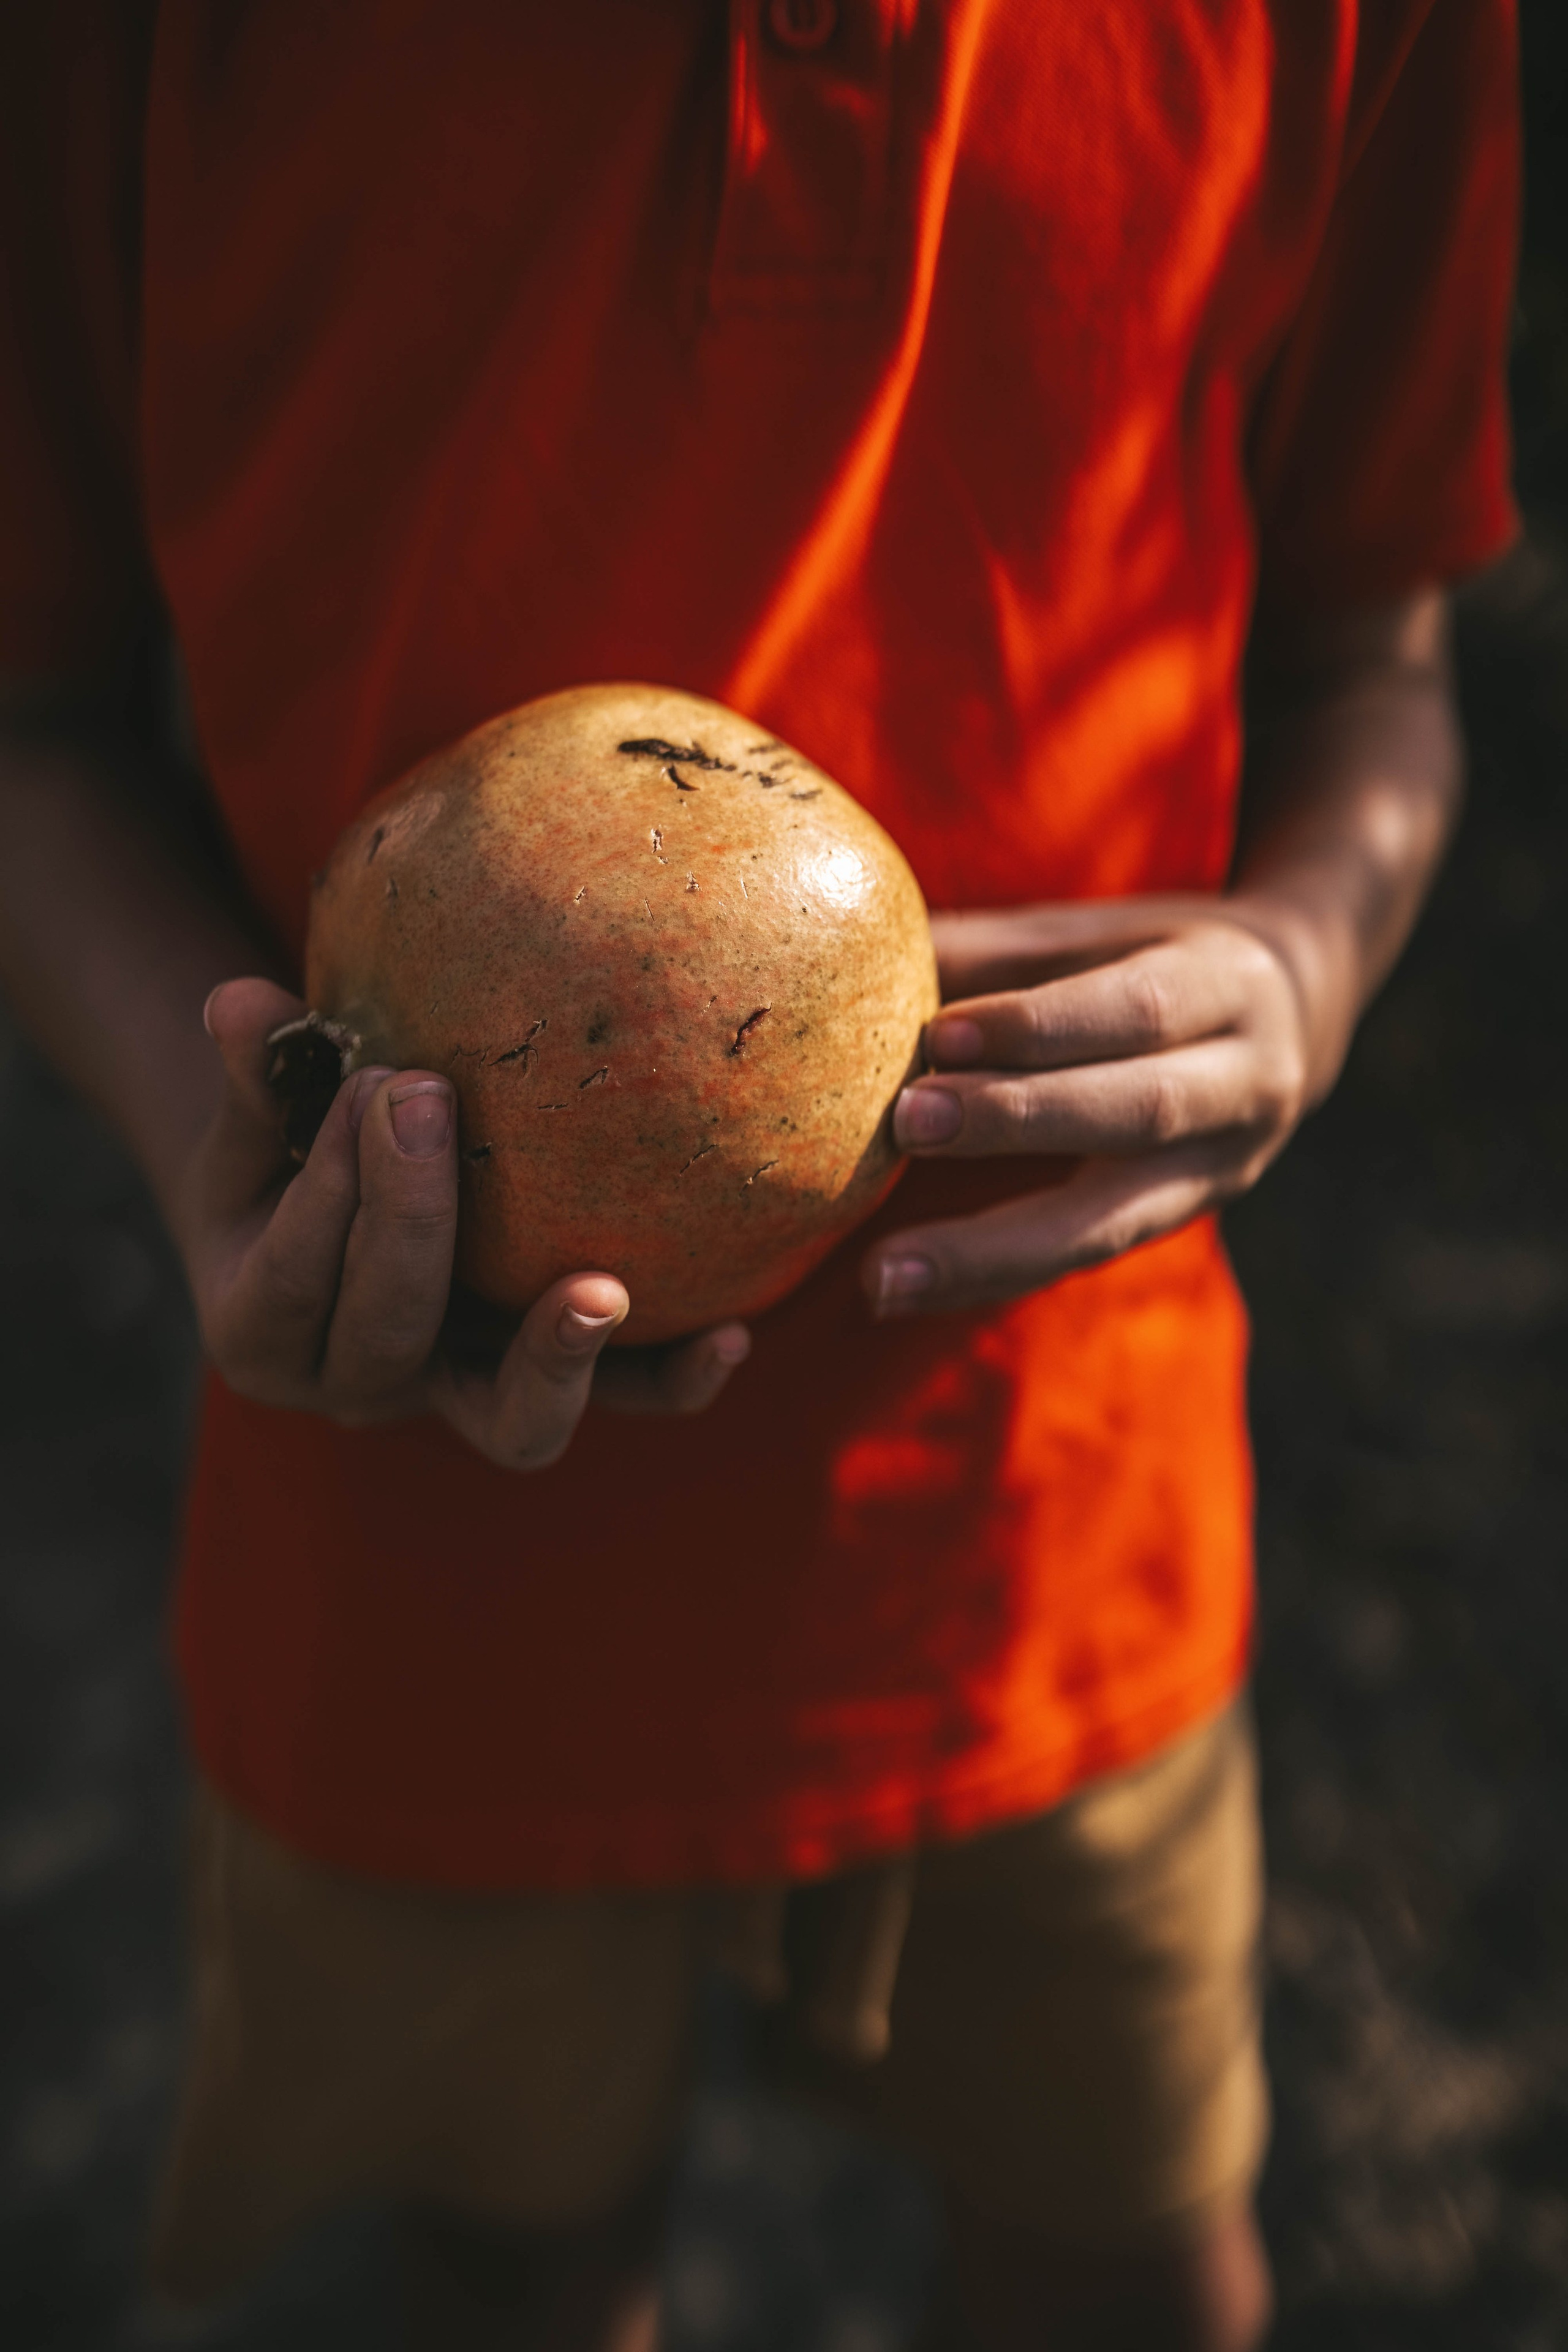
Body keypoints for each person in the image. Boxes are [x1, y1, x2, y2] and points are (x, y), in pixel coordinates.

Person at [0, 4, 1520, 2346]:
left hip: (1041, 1524)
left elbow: (1379, 651)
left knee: (1126, 2270)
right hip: (407, 1553)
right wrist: (193, 1119)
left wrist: (1310, 957)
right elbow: (27, 715)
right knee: (504, 2272)